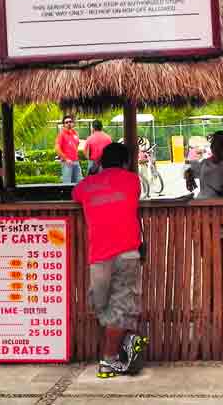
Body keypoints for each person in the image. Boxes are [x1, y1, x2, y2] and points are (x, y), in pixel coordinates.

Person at [72, 142, 148, 378]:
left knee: (104, 306)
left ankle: (119, 345)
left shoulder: (85, 185)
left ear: (100, 162)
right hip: (126, 253)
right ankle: (109, 360)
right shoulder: (132, 180)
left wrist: (96, 173)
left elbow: (75, 195)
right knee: (120, 308)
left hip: (99, 257)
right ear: (125, 162)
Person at [184, 131, 223, 198]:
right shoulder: (205, 163)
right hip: (203, 204)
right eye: (214, 143)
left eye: (222, 144)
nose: (217, 147)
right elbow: (188, 165)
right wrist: (189, 176)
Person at [56, 114, 82, 184]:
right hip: (67, 163)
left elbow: (77, 144)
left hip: (76, 161)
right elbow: (57, 148)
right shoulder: (61, 134)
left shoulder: (75, 133)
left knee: (79, 183)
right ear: (63, 125)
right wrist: (66, 159)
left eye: (70, 121)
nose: (68, 123)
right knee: (67, 184)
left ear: (73, 123)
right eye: (66, 122)